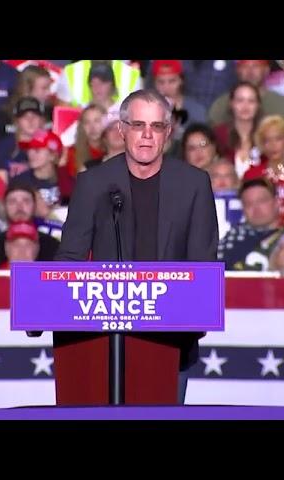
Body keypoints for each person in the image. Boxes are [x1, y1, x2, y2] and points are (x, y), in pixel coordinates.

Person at [54, 89, 218, 405]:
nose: (146, 135)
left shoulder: (194, 184)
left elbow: (203, 266)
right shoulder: (93, 183)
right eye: (137, 125)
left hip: (170, 344)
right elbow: (70, 260)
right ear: (121, 129)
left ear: (168, 133)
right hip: (101, 342)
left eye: (156, 126)